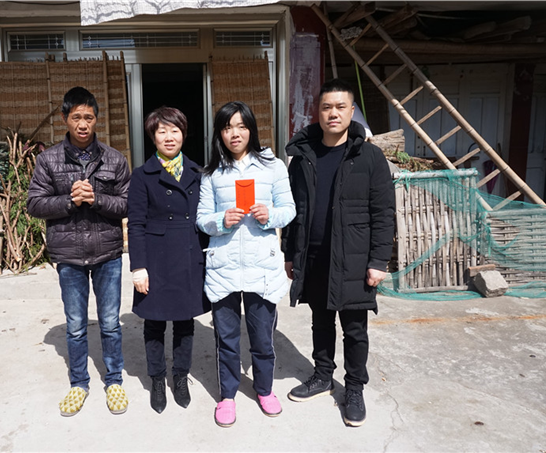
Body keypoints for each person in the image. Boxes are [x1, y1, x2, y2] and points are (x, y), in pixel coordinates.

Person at [281, 78, 395, 427]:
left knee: (355, 328)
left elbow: (384, 213)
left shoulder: (369, 156)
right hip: (314, 255)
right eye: (326, 107)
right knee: (321, 320)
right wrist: (290, 252)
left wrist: (379, 260)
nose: (333, 113)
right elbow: (294, 209)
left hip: (354, 257)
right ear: (317, 112)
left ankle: (355, 388)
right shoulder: (303, 157)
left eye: (340, 107)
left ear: (351, 111)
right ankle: (322, 375)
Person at [27, 86, 130, 417]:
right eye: (76, 117)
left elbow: (128, 204)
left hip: (107, 255)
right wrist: (70, 201)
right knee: (75, 325)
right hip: (69, 256)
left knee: (110, 323)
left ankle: (114, 381)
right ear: (64, 119)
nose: (82, 124)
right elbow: (35, 204)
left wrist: (96, 199)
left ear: (97, 119)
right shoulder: (48, 160)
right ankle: (79, 383)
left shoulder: (114, 159)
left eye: (88, 117)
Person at [196, 101, 296, 428]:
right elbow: (201, 219)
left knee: (262, 338)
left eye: (241, 126)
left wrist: (271, 216)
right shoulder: (212, 173)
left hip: (261, 266)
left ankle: (264, 389)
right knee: (226, 339)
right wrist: (220, 221)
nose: (235, 134)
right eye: (227, 128)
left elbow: (289, 209)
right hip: (223, 267)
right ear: (219, 134)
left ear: (251, 129)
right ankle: (227, 395)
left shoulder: (272, 166)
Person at [127, 106, 210, 414]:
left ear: (184, 134)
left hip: (189, 255)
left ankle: (180, 376)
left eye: (175, 130)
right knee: (154, 322)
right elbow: (135, 224)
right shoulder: (141, 175)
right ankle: (157, 378)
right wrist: (138, 267)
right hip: (156, 259)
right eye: (162, 131)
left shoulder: (198, 173)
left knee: (185, 322)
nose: (169, 137)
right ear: (153, 137)